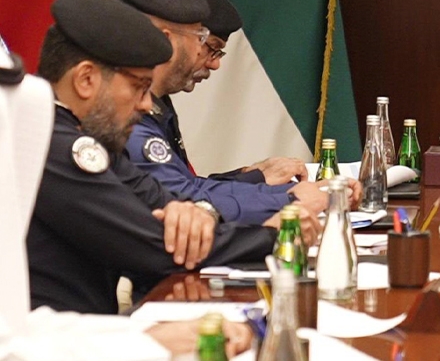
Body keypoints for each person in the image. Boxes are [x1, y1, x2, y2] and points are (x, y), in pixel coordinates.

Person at [27, 0, 277, 314]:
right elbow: (155, 246)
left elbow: (164, 202)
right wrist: (275, 235)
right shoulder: (49, 142)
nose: (147, 105)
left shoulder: (89, 138)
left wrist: (198, 213)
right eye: (139, 87)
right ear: (86, 80)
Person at [0, 45, 252, 359]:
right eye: (138, 88)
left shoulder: (96, 142)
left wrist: (150, 337)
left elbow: (23, 327)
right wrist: (149, 342)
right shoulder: (60, 146)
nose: (146, 104)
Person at [123, 0, 329, 224]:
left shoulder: (159, 102)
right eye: (204, 42)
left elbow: (183, 184)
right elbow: (179, 199)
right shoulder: (127, 108)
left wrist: (256, 178)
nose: (214, 63)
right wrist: (289, 200)